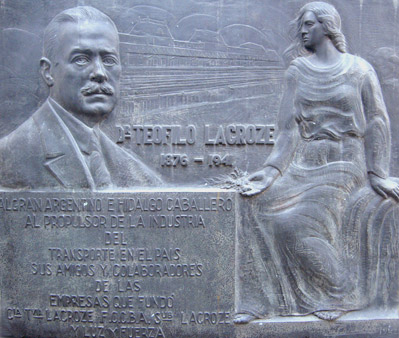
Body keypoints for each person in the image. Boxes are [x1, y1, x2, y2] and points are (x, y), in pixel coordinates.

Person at [235, 1, 399, 323]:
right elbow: (286, 130)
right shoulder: (297, 71)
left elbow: (378, 122)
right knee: (251, 204)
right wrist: (269, 172)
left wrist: (377, 173)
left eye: (309, 24)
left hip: (344, 163)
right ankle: (260, 300)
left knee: (295, 223)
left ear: (328, 27)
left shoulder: (359, 69)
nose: (302, 31)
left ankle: (340, 292)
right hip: (303, 163)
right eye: (302, 25)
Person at [0, 6, 162, 190]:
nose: (100, 73)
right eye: (81, 59)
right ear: (47, 72)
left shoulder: (138, 175)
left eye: (109, 60)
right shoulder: (11, 158)